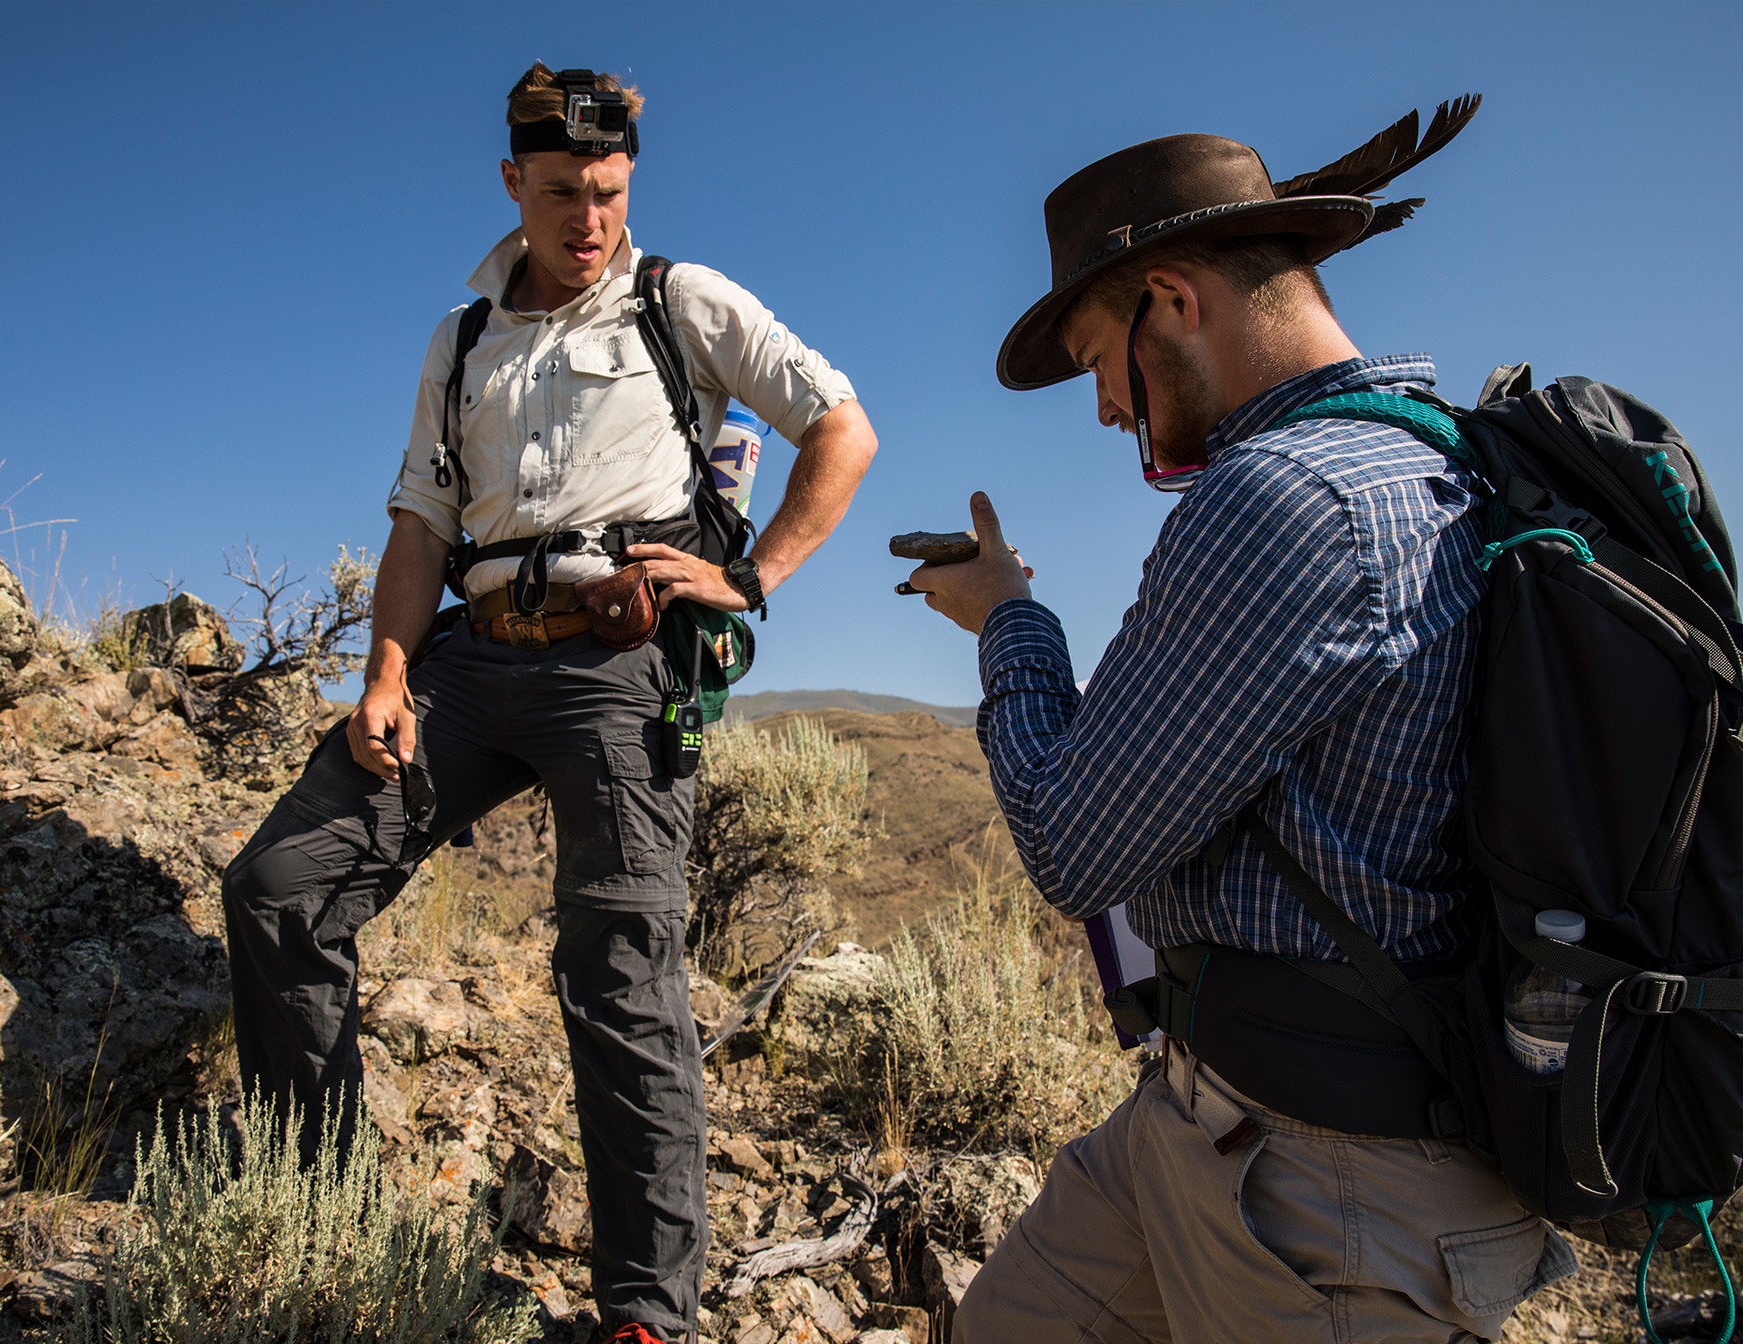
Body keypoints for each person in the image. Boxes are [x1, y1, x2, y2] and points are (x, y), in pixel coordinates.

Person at [221, 62, 876, 1344]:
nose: (591, 221)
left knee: (618, 964)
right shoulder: (461, 337)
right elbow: (417, 520)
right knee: (281, 889)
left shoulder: (678, 298)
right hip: (466, 663)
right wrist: (387, 674)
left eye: (612, 193)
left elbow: (839, 428)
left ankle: (645, 1315)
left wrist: (748, 578)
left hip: (621, 667)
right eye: (565, 193)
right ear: (511, 181)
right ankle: (326, 1229)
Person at [910, 108, 1577, 1342]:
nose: (1103, 408)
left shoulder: (1289, 497)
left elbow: (1072, 844)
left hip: (1330, 1196)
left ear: (1170, 299)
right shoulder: (1435, 465)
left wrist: (1008, 617)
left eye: (1096, 356)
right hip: (1209, 1121)